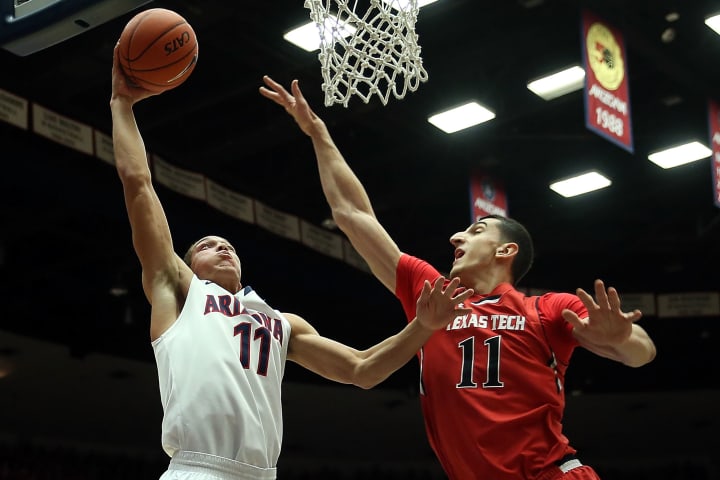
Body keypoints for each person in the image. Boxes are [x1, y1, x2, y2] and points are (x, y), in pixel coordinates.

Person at [259, 76, 658, 480]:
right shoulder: (432, 296)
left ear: (506, 251)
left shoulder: (545, 309)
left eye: (476, 230)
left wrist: (620, 336)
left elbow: (642, 353)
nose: (456, 236)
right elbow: (351, 215)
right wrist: (319, 133)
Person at [109, 47, 475, 480]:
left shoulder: (282, 325)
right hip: (197, 469)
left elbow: (362, 369)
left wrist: (424, 327)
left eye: (228, 244)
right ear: (188, 264)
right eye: (208, 245)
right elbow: (138, 184)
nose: (223, 248)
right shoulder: (178, 291)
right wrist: (122, 104)